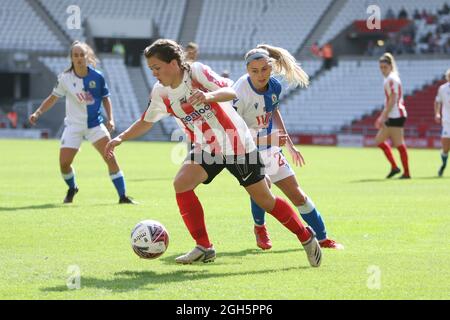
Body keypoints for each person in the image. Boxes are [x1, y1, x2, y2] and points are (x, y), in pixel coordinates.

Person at [105, 39, 322, 266]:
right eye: (151, 70)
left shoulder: (196, 73)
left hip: (237, 145)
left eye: (157, 68)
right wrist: (120, 137)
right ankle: (204, 247)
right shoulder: (161, 93)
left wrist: (208, 96)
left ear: (173, 64)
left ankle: (305, 237)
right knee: (182, 183)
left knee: (266, 201)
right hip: (207, 148)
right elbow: (146, 120)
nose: (154, 74)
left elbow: (230, 91)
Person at [232, 44, 343, 250]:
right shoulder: (239, 93)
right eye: (255, 71)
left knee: (297, 195)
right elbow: (235, 134)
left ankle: (322, 238)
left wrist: (289, 144)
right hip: (248, 150)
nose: (260, 75)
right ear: (247, 70)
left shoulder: (274, 86)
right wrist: (268, 141)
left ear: (271, 67)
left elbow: (273, 111)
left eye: (264, 69)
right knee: (263, 186)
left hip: (271, 146)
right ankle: (260, 228)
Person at [29, 41, 136, 204]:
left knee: (110, 158)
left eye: (81, 55)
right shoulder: (65, 78)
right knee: (64, 164)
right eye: (75, 55)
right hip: (74, 126)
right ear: (71, 58)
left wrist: (111, 118)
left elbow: (106, 98)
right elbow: (52, 98)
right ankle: (72, 188)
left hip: (95, 125)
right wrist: (38, 112)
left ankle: (123, 196)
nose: (79, 58)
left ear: (87, 56)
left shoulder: (97, 76)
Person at [375, 53, 410, 179]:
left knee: (399, 144)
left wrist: (383, 116)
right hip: (393, 115)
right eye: (381, 67)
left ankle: (406, 172)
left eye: (385, 67)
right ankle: (396, 167)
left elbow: (393, 98)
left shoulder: (391, 79)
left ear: (390, 66)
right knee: (379, 141)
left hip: (396, 115)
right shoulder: (390, 78)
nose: (382, 70)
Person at [434, 68, 450, 177]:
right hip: (447, 121)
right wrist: (437, 113)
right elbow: (437, 101)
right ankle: (443, 165)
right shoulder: (443, 89)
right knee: (445, 147)